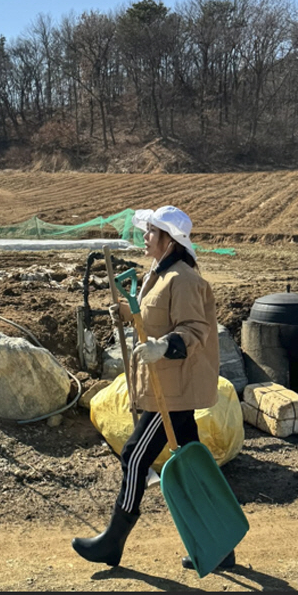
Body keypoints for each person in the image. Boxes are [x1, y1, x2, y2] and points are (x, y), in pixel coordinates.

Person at [71, 205, 236, 572]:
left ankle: (113, 542)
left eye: (150, 232)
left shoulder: (184, 279)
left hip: (173, 394)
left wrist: (165, 346)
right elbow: (151, 318)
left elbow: (195, 330)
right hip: (167, 388)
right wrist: (128, 316)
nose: (144, 238)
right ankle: (221, 546)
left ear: (168, 239)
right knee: (191, 467)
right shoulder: (157, 276)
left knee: (133, 455)